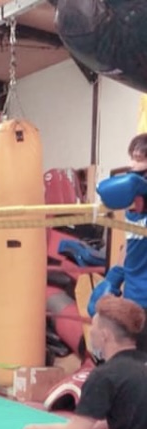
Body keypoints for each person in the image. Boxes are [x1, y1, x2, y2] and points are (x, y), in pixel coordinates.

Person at [18, 295, 147, 429]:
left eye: (92, 327)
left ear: (104, 335)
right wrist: (103, 426)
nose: (90, 332)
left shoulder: (105, 375)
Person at [93, 134, 147, 351]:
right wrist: (113, 279)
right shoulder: (133, 207)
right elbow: (129, 246)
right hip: (135, 302)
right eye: (131, 158)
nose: (132, 165)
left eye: (139, 159)